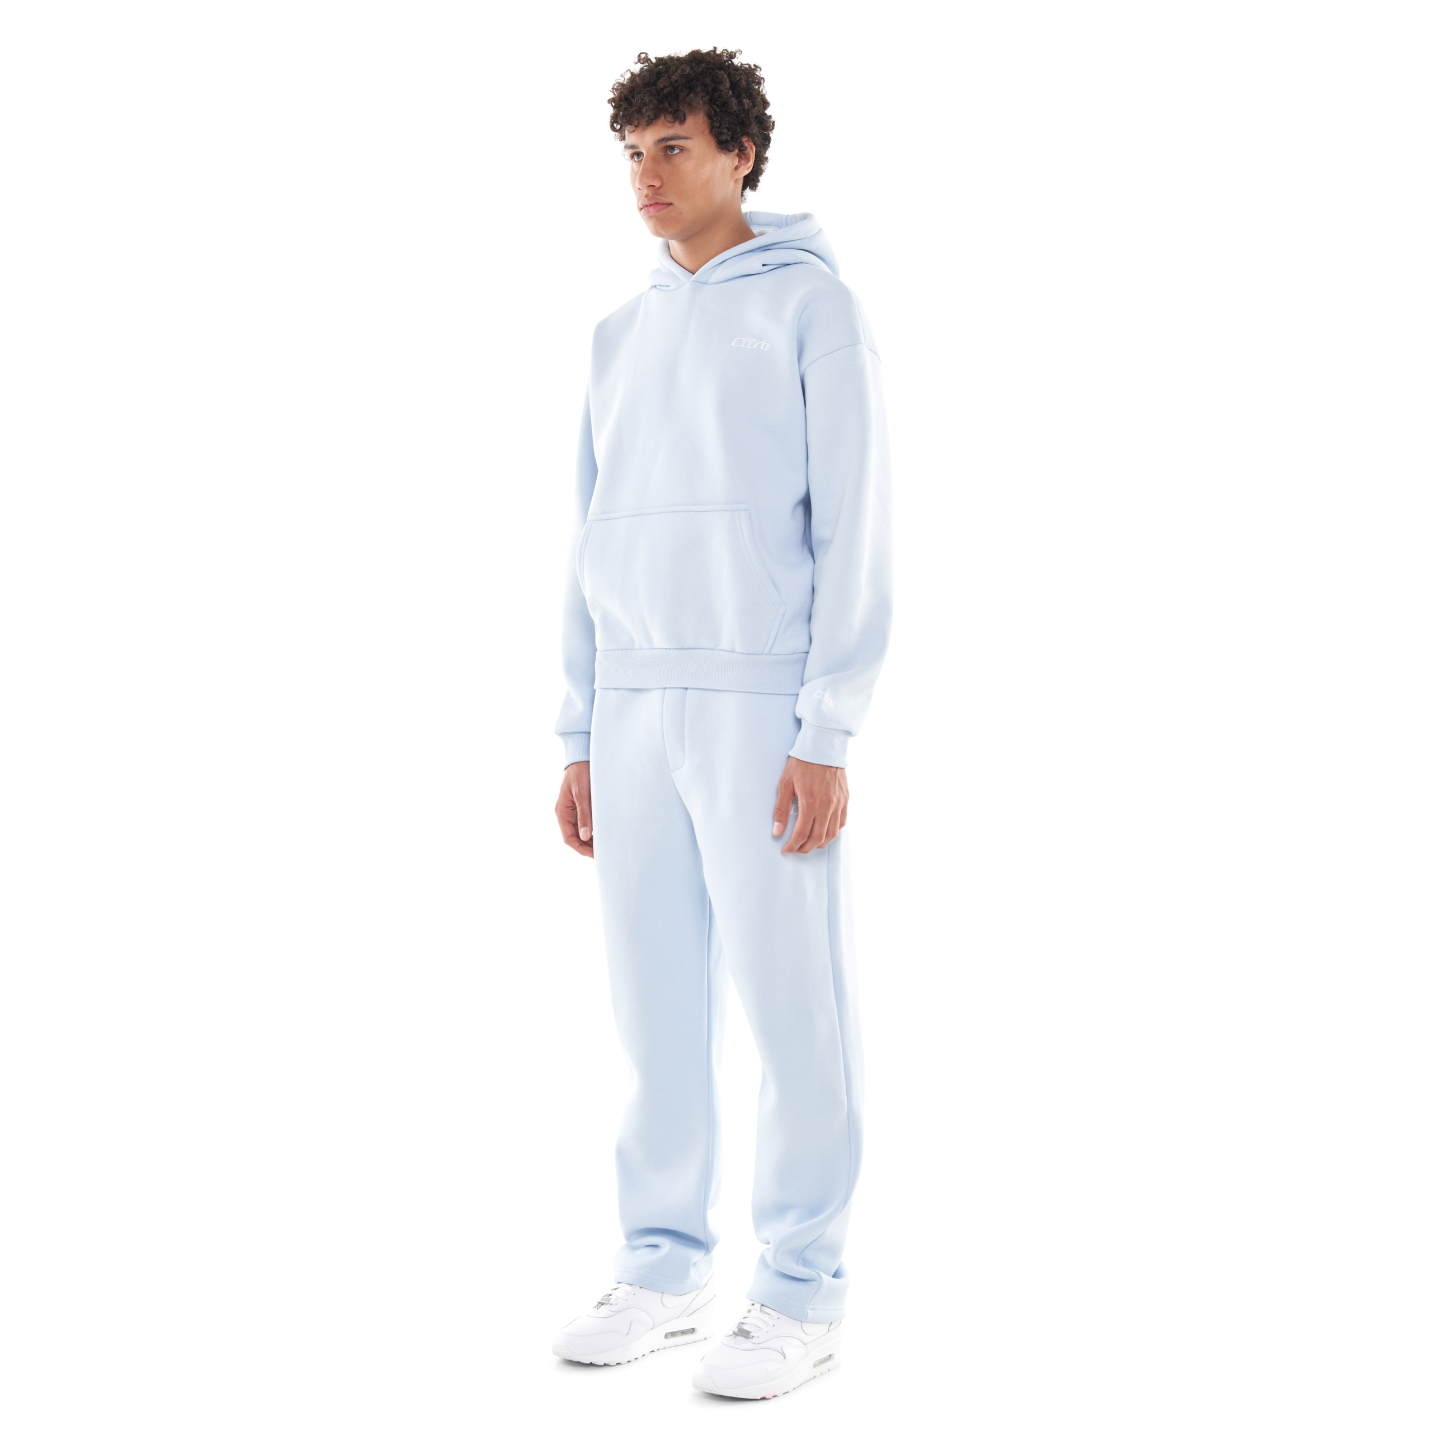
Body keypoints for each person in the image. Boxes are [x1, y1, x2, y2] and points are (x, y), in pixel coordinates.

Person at [549, 48, 892, 1401]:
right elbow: (587, 535)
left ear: (741, 152)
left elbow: (856, 522)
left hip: (758, 701)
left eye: (674, 146)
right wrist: (579, 731)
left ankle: (802, 1292)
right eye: (633, 151)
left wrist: (829, 725)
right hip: (632, 702)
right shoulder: (616, 336)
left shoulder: (812, 308)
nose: (647, 174)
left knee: (794, 1004)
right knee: (654, 1004)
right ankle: (662, 1266)